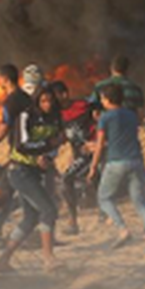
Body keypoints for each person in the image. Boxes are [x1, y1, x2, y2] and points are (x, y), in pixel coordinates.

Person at [0, 86, 62, 273]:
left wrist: (48, 156)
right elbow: (22, 145)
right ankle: (48, 258)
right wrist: (44, 148)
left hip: (34, 172)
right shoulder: (26, 116)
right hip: (20, 171)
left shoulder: (55, 118)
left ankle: (3, 260)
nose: (47, 104)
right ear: (37, 101)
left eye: (50, 100)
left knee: (31, 218)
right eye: (43, 101)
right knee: (49, 210)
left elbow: (58, 141)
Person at [91, 84, 145, 254]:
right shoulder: (131, 115)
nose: (101, 101)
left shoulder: (105, 117)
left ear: (107, 100)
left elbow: (101, 144)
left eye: (102, 98)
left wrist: (93, 166)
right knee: (141, 204)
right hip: (136, 160)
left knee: (104, 198)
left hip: (116, 162)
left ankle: (122, 228)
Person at [0, 64, 29, 236]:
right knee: (16, 190)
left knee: (3, 192)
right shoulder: (26, 97)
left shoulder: (11, 101)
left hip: (19, 153)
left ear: (5, 79)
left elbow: (2, 131)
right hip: (29, 151)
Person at [52, 81, 94, 236]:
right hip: (80, 155)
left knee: (66, 180)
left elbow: (102, 117)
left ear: (64, 94)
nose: (52, 102)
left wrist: (96, 140)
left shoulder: (83, 105)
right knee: (68, 182)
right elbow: (63, 136)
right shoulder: (57, 115)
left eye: (55, 97)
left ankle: (73, 221)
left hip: (94, 152)